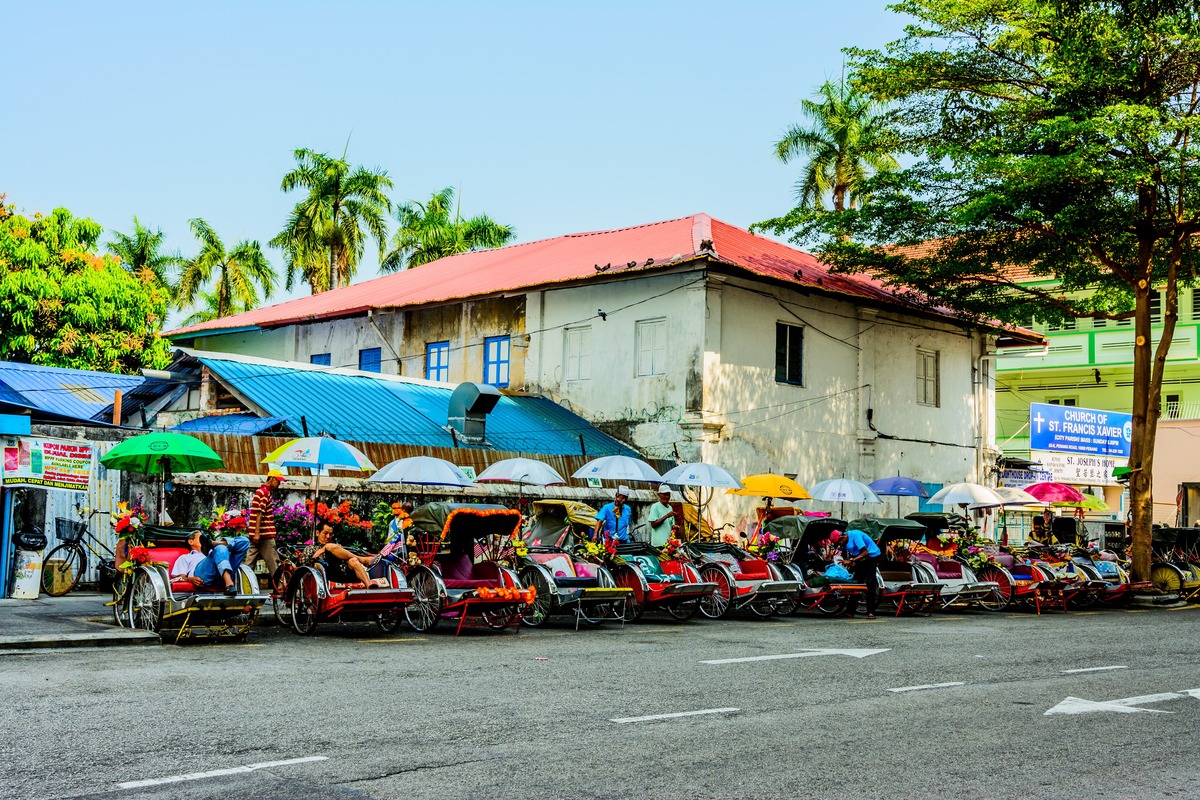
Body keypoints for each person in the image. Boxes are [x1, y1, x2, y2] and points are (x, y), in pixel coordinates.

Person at [828, 527, 882, 620]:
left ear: (843, 537)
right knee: (856, 583)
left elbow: (865, 552)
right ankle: (850, 611)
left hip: (872, 556)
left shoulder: (855, 535)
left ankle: (871, 612)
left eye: (839, 542)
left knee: (870, 583)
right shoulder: (845, 542)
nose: (840, 545)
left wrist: (852, 560)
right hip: (860, 557)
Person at [174, 533, 250, 596]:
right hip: (202, 576)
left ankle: (216, 544)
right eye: (201, 538)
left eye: (206, 540)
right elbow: (181, 577)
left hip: (221, 575)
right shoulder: (185, 557)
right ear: (191, 542)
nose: (204, 541)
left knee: (245, 542)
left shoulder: (215, 551)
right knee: (220, 548)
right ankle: (229, 584)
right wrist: (190, 579)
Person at [311, 521, 377, 588]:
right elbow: (304, 564)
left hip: (343, 575)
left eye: (330, 534)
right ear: (317, 533)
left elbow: (346, 562)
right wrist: (319, 553)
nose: (328, 537)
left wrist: (338, 550)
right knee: (328, 546)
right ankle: (362, 560)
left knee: (353, 560)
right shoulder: (311, 548)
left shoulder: (336, 547)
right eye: (325, 533)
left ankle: (368, 585)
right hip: (326, 576)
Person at [247, 469, 286, 578]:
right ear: (272, 479)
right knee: (274, 564)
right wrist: (257, 532)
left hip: (256, 534)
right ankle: (281, 587)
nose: (279, 484)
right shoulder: (265, 492)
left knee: (249, 564)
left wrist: (255, 532)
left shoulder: (260, 491)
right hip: (264, 535)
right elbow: (260, 512)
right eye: (278, 481)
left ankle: (243, 586)